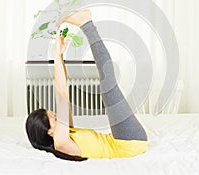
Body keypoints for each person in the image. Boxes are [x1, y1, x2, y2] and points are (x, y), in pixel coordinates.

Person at [26, 9, 148, 161]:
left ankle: (86, 23)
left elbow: (62, 90)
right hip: (128, 145)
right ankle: (87, 24)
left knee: (107, 83)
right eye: (54, 118)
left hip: (124, 140)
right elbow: (62, 96)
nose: (59, 116)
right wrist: (56, 54)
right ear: (48, 132)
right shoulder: (61, 143)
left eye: (56, 115)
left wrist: (58, 55)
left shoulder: (68, 134)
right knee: (107, 83)